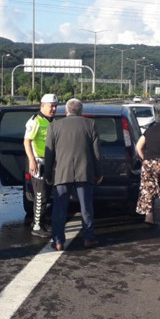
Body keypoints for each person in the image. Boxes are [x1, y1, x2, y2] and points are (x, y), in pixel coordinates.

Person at [44, 98, 103, 250]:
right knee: (86, 207)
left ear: (66, 111)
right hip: (85, 172)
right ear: (81, 111)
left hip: (62, 173)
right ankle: (88, 238)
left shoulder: (54, 126)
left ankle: (58, 241)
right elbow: (96, 153)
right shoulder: (90, 124)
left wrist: (48, 174)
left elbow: (49, 154)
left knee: (59, 208)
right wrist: (99, 172)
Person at [24, 93, 58, 237]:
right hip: (38, 162)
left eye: (55, 106)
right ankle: (37, 226)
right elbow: (27, 141)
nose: (54, 109)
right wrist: (31, 160)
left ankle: (41, 222)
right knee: (40, 195)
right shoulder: (35, 120)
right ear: (42, 105)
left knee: (46, 194)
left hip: (48, 162)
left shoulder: (51, 120)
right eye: (51, 106)